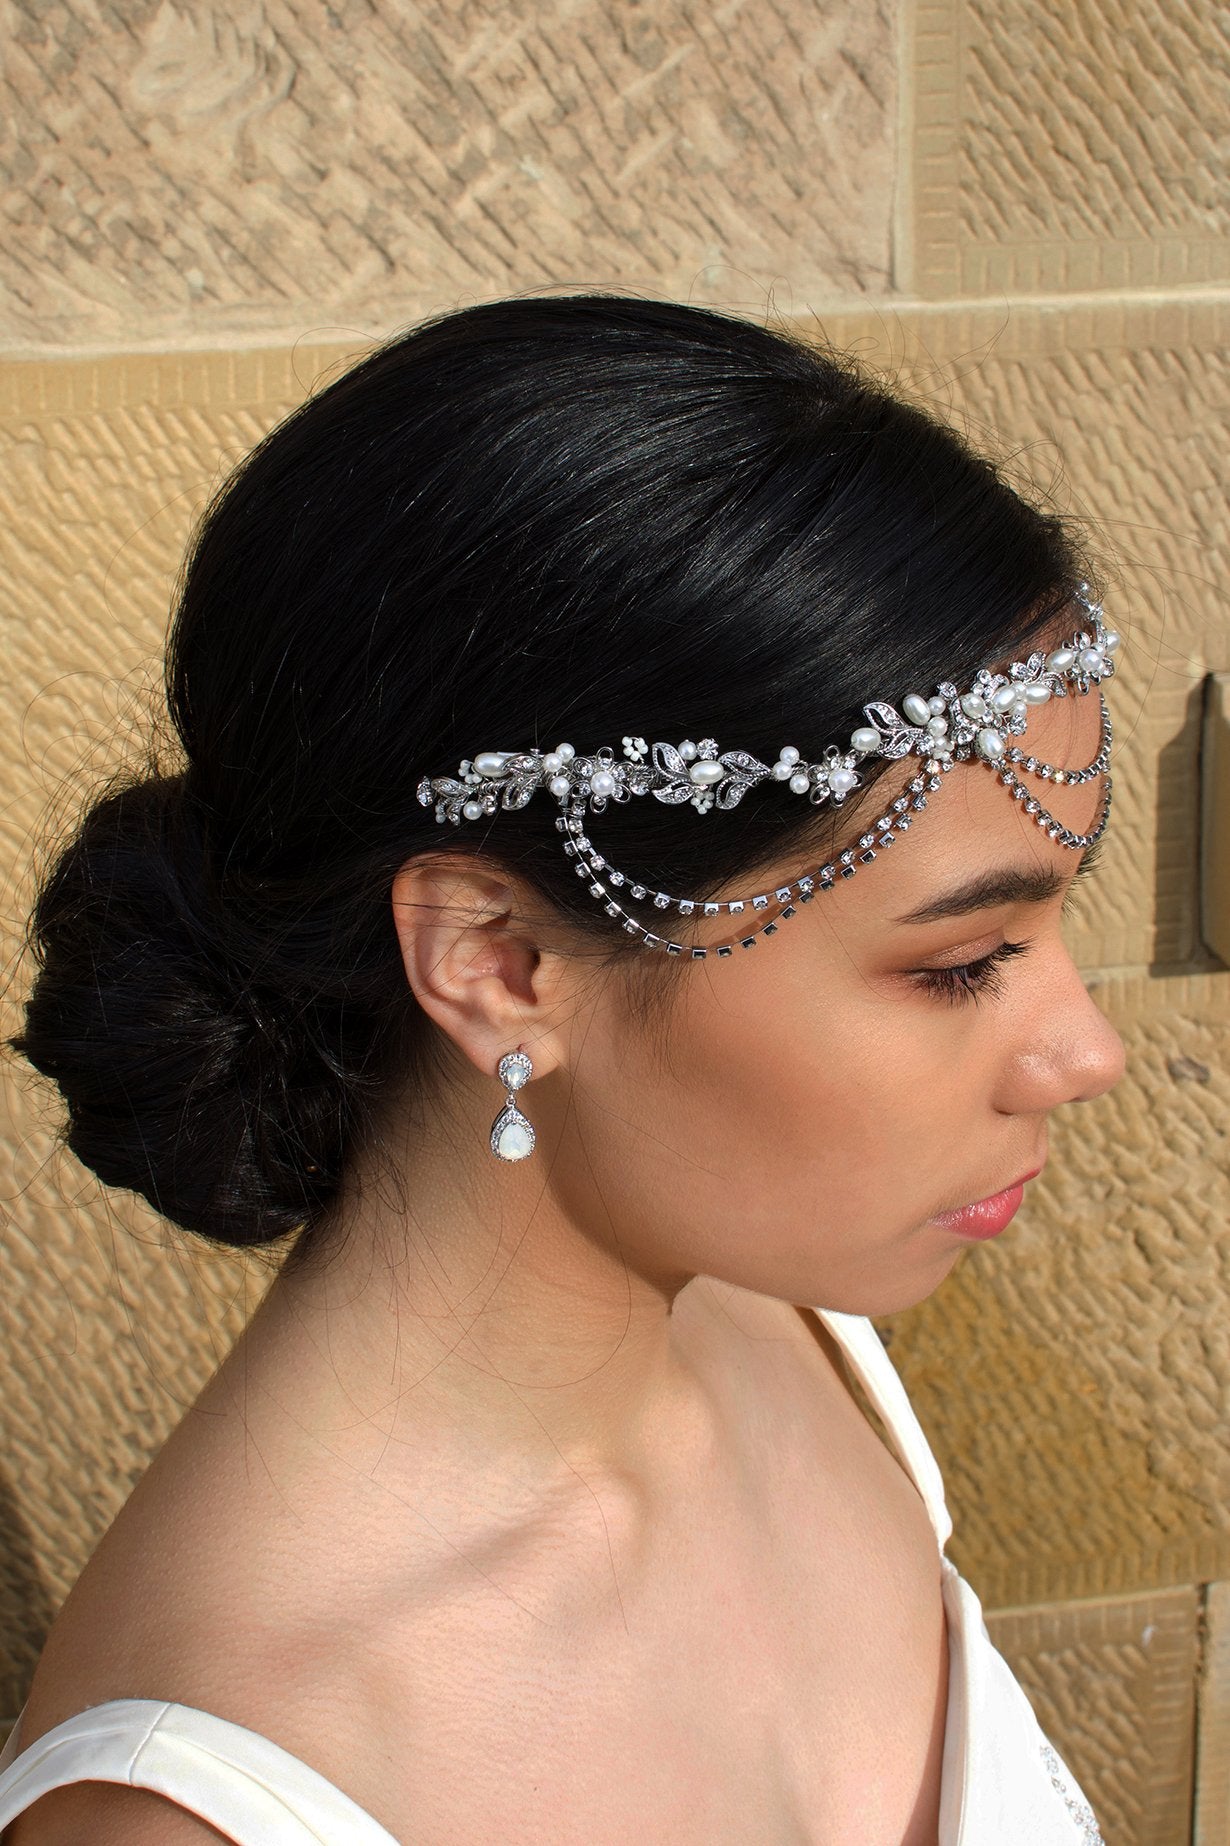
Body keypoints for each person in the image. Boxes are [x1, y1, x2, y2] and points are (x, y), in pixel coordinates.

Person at [0, 295, 1122, 1844]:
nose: (1083, 1051)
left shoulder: (784, 1327)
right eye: (956, 963)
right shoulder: (209, 1804)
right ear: (499, 961)